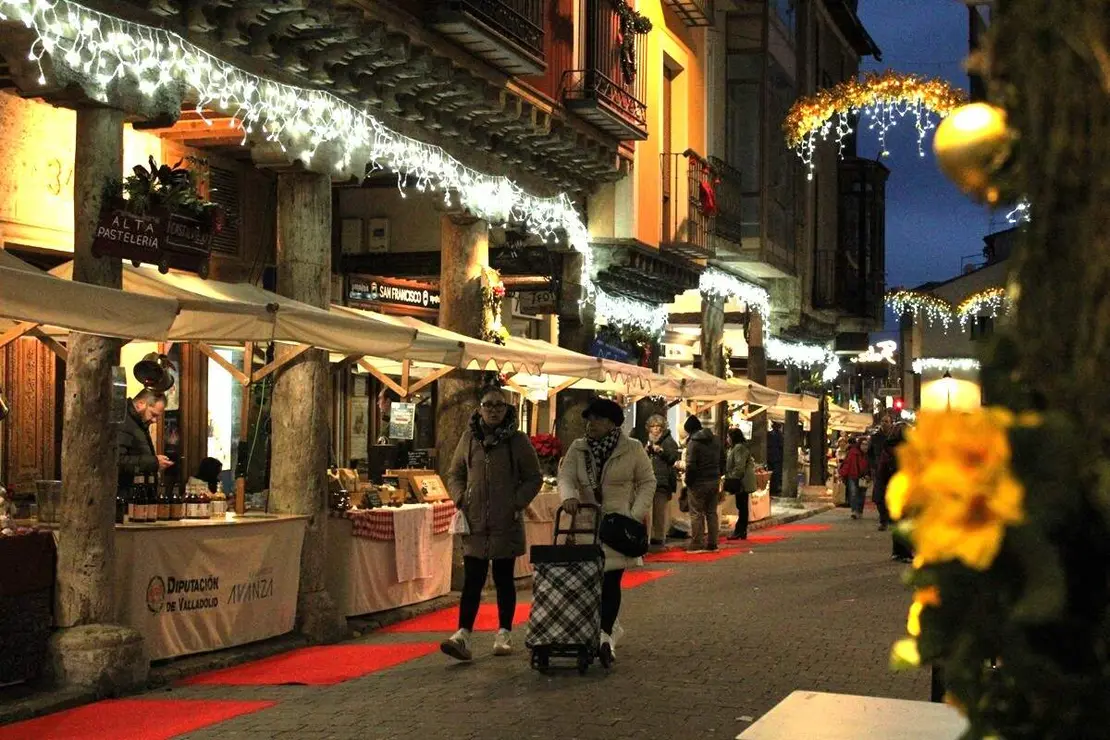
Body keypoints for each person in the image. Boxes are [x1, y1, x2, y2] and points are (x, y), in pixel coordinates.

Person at [442, 386, 542, 662]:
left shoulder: (517, 441)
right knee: (473, 579)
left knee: (503, 577)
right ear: (480, 409)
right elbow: (455, 472)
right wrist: (461, 497)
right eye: (489, 405)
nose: (494, 410)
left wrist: (515, 502)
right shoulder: (469, 438)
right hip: (475, 521)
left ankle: (504, 632)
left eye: (499, 405)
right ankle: (462, 633)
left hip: (504, 520)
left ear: (507, 408)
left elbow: (534, 477)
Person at [559, 398, 654, 667]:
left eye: (598, 419)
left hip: (617, 527)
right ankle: (596, 631)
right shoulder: (578, 449)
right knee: (588, 582)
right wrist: (568, 496)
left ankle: (604, 636)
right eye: (589, 419)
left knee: (610, 581)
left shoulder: (632, 449)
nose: (591, 425)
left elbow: (648, 481)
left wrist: (634, 515)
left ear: (612, 423)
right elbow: (566, 477)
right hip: (587, 524)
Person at [682, 415, 722, 552]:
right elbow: (723, 459)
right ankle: (712, 543)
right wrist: (718, 474)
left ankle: (697, 543)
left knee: (696, 513)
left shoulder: (694, 442)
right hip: (714, 480)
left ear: (690, 430)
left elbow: (691, 465)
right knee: (711, 512)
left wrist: (688, 481)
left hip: (698, 482)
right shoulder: (716, 440)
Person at [118, 389, 173, 487]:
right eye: (153, 414)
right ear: (140, 404)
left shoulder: (139, 423)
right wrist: (154, 462)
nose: (155, 420)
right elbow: (118, 461)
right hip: (126, 494)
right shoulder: (123, 421)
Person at [643, 414, 680, 549]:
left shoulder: (669, 441)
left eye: (658, 426)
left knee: (659, 511)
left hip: (662, 481)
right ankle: (648, 536)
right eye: (653, 426)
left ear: (663, 428)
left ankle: (658, 537)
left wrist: (661, 451)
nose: (656, 429)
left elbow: (673, 458)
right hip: (648, 480)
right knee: (647, 511)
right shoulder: (648, 441)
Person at [724, 428, 757, 540]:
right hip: (742, 480)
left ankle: (739, 530)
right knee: (742, 506)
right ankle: (741, 531)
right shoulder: (738, 448)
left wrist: (733, 477)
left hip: (742, 481)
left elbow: (739, 466)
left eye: (728, 437)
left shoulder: (738, 448)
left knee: (742, 506)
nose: (727, 439)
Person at [839, 437, 871, 519]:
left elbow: (869, 466)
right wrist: (842, 474)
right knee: (853, 493)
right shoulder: (853, 452)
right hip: (852, 476)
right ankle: (854, 511)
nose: (865, 446)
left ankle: (859, 511)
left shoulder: (868, 455)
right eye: (863, 444)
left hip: (863, 477)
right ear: (859, 444)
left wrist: (868, 475)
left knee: (862, 495)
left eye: (866, 444)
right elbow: (847, 463)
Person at [767, 423, 784, 495]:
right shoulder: (780, 435)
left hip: (770, 457)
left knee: (772, 474)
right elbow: (781, 445)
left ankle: (772, 488)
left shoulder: (769, 434)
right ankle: (774, 488)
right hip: (777, 457)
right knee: (776, 474)